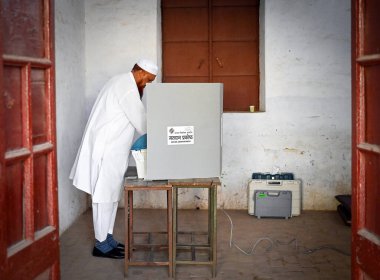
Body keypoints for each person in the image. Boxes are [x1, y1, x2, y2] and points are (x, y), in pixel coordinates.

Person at [69, 59, 158, 259]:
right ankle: (101, 244)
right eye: (149, 80)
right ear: (141, 73)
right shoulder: (126, 88)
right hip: (106, 151)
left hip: (113, 152)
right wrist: (163, 134)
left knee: (109, 197)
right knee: (103, 197)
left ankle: (107, 238)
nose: (147, 84)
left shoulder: (121, 82)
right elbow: (142, 123)